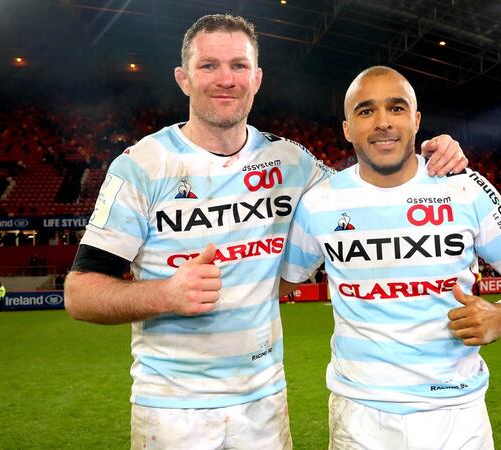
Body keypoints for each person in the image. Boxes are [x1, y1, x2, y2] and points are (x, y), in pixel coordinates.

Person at [63, 14, 468, 450]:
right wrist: (164, 296)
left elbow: (366, 192)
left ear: (256, 78)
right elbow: (81, 293)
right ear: (183, 78)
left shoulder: (290, 162)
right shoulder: (141, 166)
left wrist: (428, 153)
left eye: (239, 66)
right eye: (208, 66)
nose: (226, 79)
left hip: (263, 405)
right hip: (172, 408)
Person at [281, 66, 501, 449]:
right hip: (361, 417)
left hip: (457, 415)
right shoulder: (319, 203)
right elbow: (276, 281)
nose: (382, 123)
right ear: (346, 128)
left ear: (416, 120)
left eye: (396, 108)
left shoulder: (465, 188)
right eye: (366, 111)